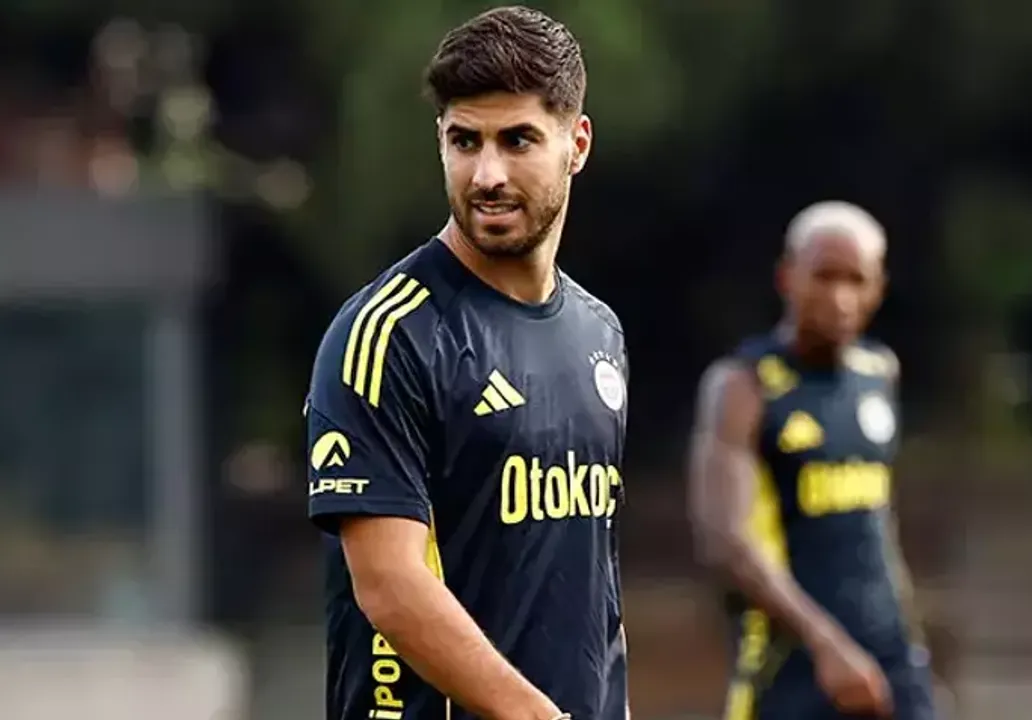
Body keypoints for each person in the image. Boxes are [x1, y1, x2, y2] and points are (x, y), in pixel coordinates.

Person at [303, 7, 629, 720]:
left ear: (576, 144)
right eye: (465, 140)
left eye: (518, 140)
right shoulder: (388, 335)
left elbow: (593, 583)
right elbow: (389, 585)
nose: (487, 174)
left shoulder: (599, 333)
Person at [687, 201, 937, 720]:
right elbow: (726, 542)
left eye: (856, 280)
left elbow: (876, 524)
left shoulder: (878, 373)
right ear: (787, 277)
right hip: (792, 660)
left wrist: (909, 646)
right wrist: (826, 644)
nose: (840, 298)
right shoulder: (746, 386)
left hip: (887, 656)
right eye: (824, 277)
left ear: (878, 288)